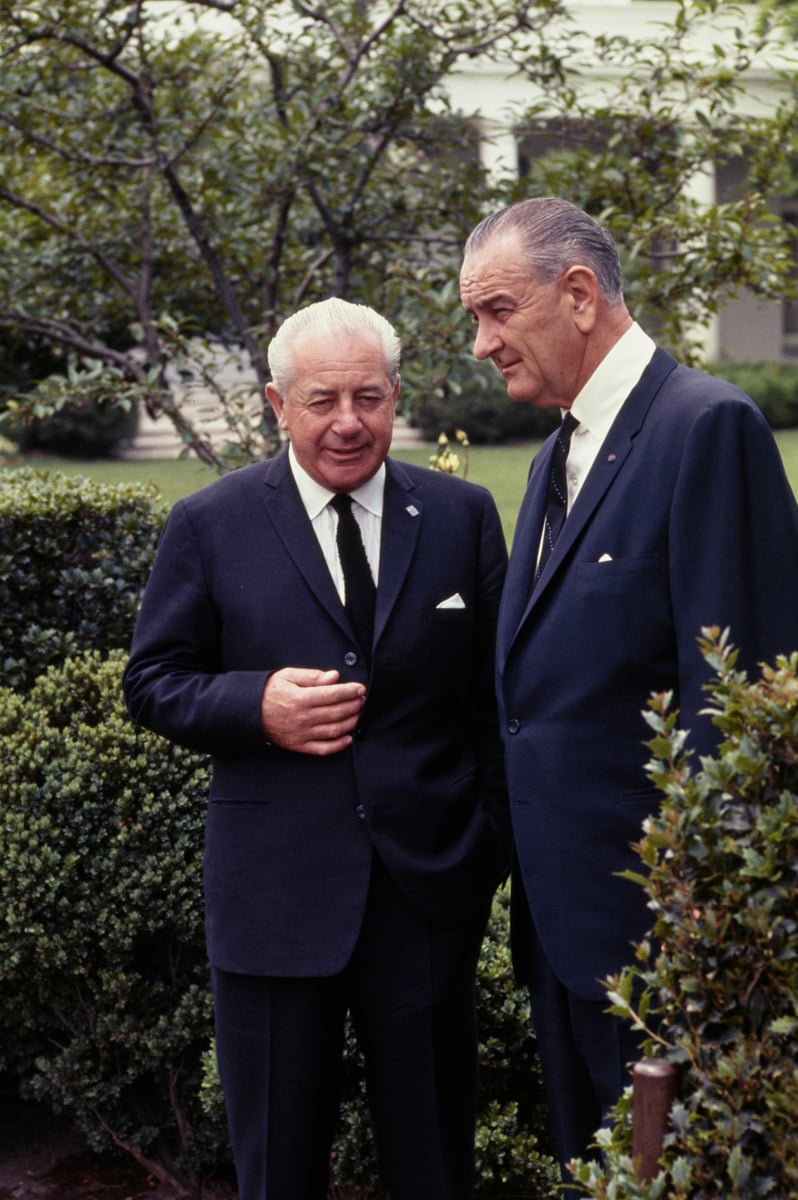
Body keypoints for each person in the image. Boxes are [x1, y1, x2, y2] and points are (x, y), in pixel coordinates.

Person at [122, 297, 510, 1200]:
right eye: (323, 400)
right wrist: (256, 704)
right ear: (276, 403)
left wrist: (484, 840)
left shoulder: (461, 515)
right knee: (279, 1166)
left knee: (436, 1161)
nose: (349, 422)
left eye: (369, 398)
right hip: (275, 895)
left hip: (425, 889)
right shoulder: (210, 524)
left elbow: (497, 700)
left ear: (396, 395)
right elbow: (153, 680)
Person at [459, 196, 798, 1181]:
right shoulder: (558, 453)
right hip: (565, 942)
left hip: (663, 958)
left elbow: (742, 709)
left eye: (495, 311)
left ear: (576, 295)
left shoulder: (708, 429)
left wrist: (708, 954)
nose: (481, 344)